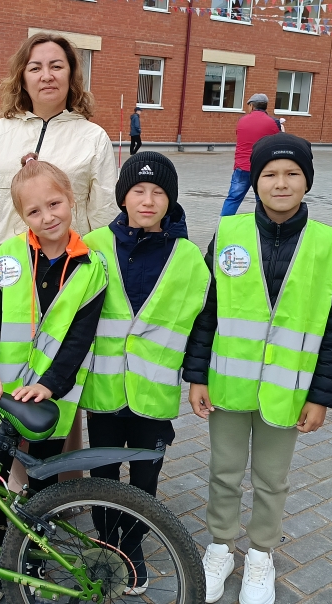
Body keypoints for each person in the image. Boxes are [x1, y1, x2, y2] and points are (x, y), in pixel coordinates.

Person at [185, 133, 332, 604]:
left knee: (271, 478)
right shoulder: (229, 234)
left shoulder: (328, 244)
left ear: (307, 181)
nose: (281, 183)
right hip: (227, 384)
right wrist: (196, 375)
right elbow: (205, 310)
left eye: (292, 173)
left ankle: (261, 553)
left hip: (289, 390)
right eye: (270, 174)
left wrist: (322, 396)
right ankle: (220, 545)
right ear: (255, 182)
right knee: (224, 471)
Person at [0, 32, 118, 484]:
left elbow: (105, 217)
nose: (46, 75)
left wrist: (102, 284)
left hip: (67, 282)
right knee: (1, 374)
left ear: (72, 75)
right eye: (36, 67)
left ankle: (54, 492)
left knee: (56, 387)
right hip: (8, 282)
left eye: (56, 66)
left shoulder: (92, 138)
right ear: (22, 77)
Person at [0, 153, 107, 604]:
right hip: (1, 392)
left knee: (43, 480)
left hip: (50, 397)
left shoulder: (92, 267)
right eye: (34, 211)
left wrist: (52, 384)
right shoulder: (8, 256)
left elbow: (81, 336)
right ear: (21, 215)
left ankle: (33, 554)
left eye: (54, 204)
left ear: (71, 199)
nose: (47, 217)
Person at [80, 152, 212, 595]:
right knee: (102, 473)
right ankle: (105, 543)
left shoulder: (188, 257)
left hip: (153, 393)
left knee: (144, 478)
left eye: (158, 192)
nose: (148, 200)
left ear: (170, 200)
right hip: (103, 388)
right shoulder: (94, 245)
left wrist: (197, 378)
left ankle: (132, 544)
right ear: (123, 197)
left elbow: (201, 325)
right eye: (138, 190)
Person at [221, 93, 280, 217]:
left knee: (233, 198)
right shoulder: (274, 122)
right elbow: (278, 142)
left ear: (252, 106)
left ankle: (223, 224)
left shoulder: (241, 120)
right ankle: (264, 226)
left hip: (242, 167)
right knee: (263, 201)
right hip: (262, 168)